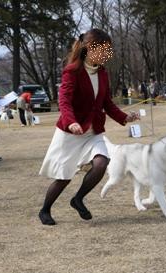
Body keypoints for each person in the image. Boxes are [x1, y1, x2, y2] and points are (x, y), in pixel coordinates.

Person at [38, 28, 139, 226]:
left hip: (93, 132)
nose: (107, 55)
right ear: (90, 49)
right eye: (104, 50)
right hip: (71, 132)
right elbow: (64, 102)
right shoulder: (72, 71)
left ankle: (78, 199)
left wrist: (125, 117)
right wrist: (71, 122)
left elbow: (106, 103)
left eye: (108, 50)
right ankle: (45, 210)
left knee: (102, 163)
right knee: (64, 177)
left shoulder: (102, 73)